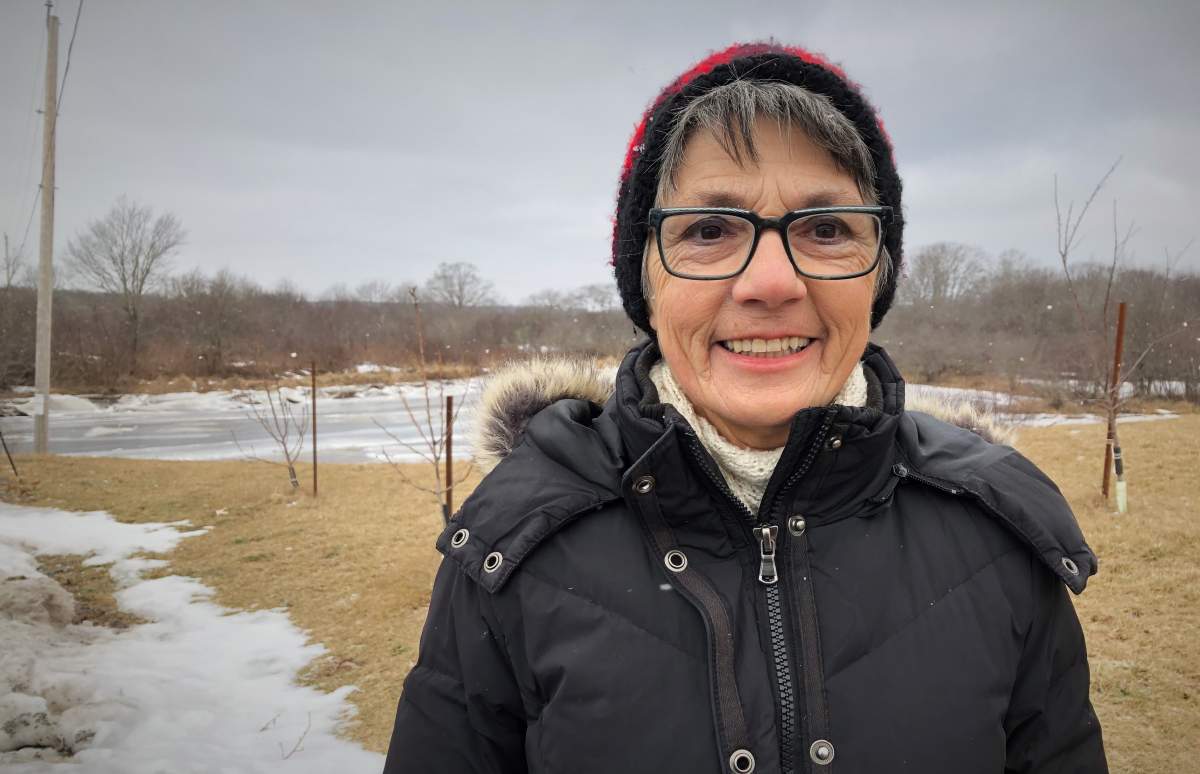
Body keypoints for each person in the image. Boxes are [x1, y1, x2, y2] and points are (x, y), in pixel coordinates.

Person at [383, 42, 1107, 773]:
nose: (770, 282)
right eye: (708, 230)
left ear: (877, 275)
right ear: (647, 282)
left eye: (825, 230)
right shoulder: (512, 547)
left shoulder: (998, 538)